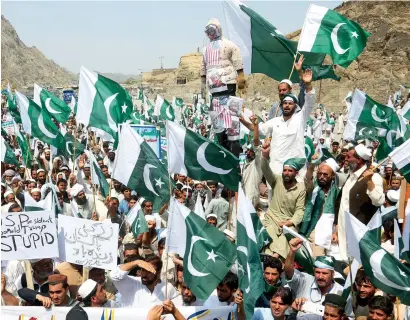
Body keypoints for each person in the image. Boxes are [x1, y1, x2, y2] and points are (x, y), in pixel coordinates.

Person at [240, 56, 314, 176]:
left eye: (290, 103)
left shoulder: (299, 116)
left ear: (295, 105)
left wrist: (302, 74)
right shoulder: (275, 114)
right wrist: (244, 121)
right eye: (285, 103)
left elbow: (308, 98)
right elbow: (260, 129)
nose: (286, 105)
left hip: (294, 165)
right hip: (276, 163)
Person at [201, 18, 245, 156]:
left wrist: (241, 75)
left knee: (233, 132)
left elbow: (237, 57)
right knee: (219, 133)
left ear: (218, 29)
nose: (210, 33)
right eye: (208, 31)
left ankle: (235, 160)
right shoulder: (205, 49)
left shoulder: (228, 44)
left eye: (212, 30)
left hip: (229, 92)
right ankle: (224, 154)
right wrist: (202, 85)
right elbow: (203, 67)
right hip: (214, 96)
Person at [334, 144, 385, 261]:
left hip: (358, 233)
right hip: (342, 231)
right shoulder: (350, 176)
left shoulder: (374, 177)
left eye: (348, 156)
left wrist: (369, 182)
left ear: (359, 160)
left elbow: (379, 201)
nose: (345, 159)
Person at [260, 153, 306, 258]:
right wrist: (265, 155)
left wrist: (290, 222)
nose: (286, 173)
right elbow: (265, 169)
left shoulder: (301, 188)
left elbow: (300, 210)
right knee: (267, 237)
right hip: (271, 219)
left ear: (296, 173)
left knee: (285, 240)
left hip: (287, 223)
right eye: (285, 170)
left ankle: (275, 258)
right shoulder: (276, 180)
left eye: (290, 171)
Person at [284, 238, 343, 307]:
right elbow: (288, 271)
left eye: (324, 273)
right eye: (317, 272)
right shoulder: (305, 280)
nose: (320, 277)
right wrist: (292, 251)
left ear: (333, 274)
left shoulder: (340, 291)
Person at [300, 159, 340, 257]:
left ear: (333, 176)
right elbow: (307, 179)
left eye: (325, 175)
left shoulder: (337, 193)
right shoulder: (313, 188)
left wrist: (336, 232)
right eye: (320, 174)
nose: (322, 177)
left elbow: (339, 215)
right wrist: (312, 164)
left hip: (329, 231)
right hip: (311, 228)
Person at [110, 255, 181, 307]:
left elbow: (177, 308)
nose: (144, 274)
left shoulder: (167, 288)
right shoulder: (133, 283)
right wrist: (136, 262)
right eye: (143, 270)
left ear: (158, 272)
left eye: (149, 271)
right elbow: (114, 275)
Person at [242, 116, 263, 208]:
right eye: (248, 150)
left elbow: (256, 143)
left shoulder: (258, 162)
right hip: (242, 195)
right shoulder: (245, 162)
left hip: (251, 197)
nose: (248, 152)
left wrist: (255, 126)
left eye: (251, 151)